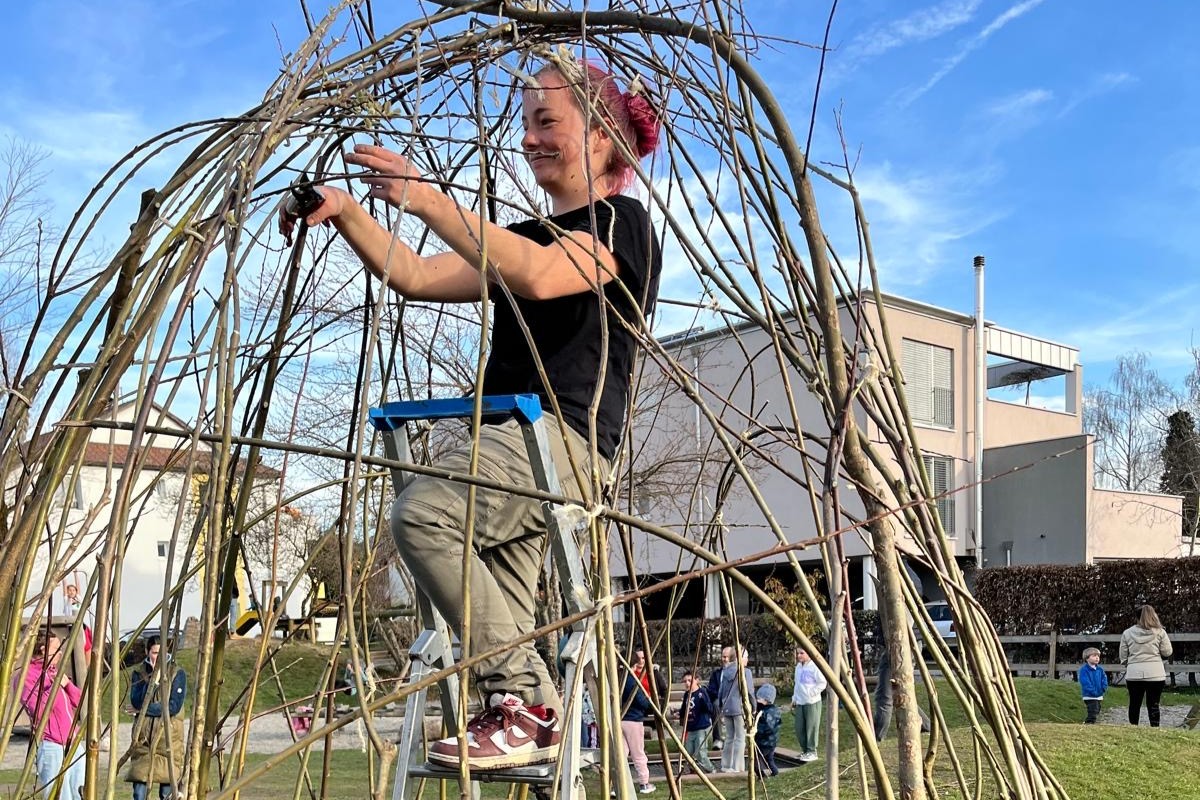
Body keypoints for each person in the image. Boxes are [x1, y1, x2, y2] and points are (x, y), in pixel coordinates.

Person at [281, 56, 661, 770]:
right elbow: (417, 275)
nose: (528, 139)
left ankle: (520, 697)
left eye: (546, 121)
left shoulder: (622, 225)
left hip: (563, 443)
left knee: (423, 513)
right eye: (525, 124)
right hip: (512, 443)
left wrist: (426, 198)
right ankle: (534, 723)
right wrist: (348, 211)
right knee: (508, 628)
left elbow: (543, 276)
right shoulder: (525, 235)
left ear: (604, 136)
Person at [15, 630, 85, 799]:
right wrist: (53, 688)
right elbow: (38, 710)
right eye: (56, 648)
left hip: (73, 743)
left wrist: (67, 684)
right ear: (43, 649)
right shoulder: (27, 676)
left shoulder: (54, 672)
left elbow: (79, 701)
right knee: (60, 795)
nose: (61, 653)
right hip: (51, 745)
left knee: (80, 793)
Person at [126, 637, 188, 800]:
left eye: (162, 652)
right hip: (144, 742)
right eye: (154, 652)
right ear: (147, 653)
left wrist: (142, 710)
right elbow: (137, 700)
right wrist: (153, 681)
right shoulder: (139, 674)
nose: (159, 656)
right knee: (139, 793)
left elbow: (173, 707)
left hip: (169, 741)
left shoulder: (177, 673)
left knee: (166, 794)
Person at [1119, 604, 1173, 727]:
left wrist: (1131, 663)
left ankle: (1133, 727)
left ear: (1136, 617)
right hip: (1155, 673)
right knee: (1153, 703)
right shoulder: (1160, 632)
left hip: (1134, 673)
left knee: (1134, 703)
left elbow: (1123, 656)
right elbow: (1167, 652)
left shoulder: (1127, 633)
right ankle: (1154, 728)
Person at [620, 664, 656, 793]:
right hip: (633, 720)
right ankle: (644, 783)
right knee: (638, 753)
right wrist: (648, 701)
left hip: (618, 720)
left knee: (621, 754)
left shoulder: (616, 677)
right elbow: (641, 701)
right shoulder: (631, 680)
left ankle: (617, 785)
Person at [716, 647, 753, 772]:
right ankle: (737, 767)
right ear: (740, 658)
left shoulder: (726, 671)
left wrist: (721, 706)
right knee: (740, 738)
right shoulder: (745, 672)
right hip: (739, 708)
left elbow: (720, 691)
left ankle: (726, 765)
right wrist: (753, 707)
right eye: (746, 657)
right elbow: (749, 691)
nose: (747, 660)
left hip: (727, 707)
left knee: (729, 737)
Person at [790, 647, 826, 763]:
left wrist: (812, 693)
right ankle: (805, 750)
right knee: (799, 728)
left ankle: (812, 751)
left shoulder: (815, 667)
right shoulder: (798, 667)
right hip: (800, 702)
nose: (799, 655)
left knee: (811, 727)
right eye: (798, 653)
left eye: (802, 653)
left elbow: (822, 683)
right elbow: (797, 684)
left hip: (812, 702)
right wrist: (794, 698)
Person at [677, 670, 715, 773]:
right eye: (685, 681)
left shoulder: (701, 693)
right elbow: (684, 708)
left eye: (690, 680)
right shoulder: (686, 694)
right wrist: (680, 714)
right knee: (688, 751)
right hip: (690, 727)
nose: (687, 683)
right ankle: (693, 769)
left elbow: (710, 708)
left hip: (701, 726)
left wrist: (703, 702)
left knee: (700, 751)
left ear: (697, 680)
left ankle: (710, 769)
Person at [705, 647, 732, 749]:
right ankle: (718, 739)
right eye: (723, 657)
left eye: (727, 657)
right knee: (715, 705)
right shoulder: (716, 674)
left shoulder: (737, 673)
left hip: (733, 699)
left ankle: (734, 740)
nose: (724, 659)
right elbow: (711, 689)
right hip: (719, 699)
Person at [752, 684, 781, 778]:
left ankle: (761, 776)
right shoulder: (775, 710)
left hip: (764, 742)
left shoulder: (765, 713)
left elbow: (766, 727)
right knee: (769, 759)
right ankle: (775, 773)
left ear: (766, 700)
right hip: (772, 741)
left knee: (755, 761)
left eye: (759, 698)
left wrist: (756, 731)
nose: (757, 700)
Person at [1077, 647, 1108, 724]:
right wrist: (1093, 691)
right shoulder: (1084, 670)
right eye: (1094, 656)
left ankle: (1089, 722)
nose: (1097, 658)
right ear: (1087, 658)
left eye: (1098, 656)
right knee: (1093, 710)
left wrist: (1103, 688)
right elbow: (1085, 682)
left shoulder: (1100, 670)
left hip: (1099, 695)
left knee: (1097, 710)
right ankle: (1089, 723)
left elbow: (1104, 679)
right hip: (1089, 695)